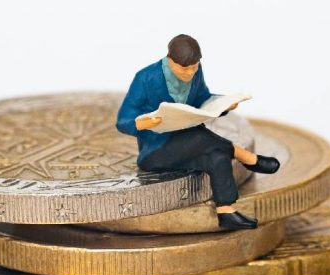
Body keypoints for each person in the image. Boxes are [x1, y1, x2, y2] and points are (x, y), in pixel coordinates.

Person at [116, 34, 281, 230]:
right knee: (198, 136)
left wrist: (223, 105)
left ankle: (226, 211)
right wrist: (144, 123)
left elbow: (202, 99)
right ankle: (248, 158)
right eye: (184, 68)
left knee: (217, 156)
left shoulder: (196, 71)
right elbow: (123, 119)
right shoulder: (146, 77)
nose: (190, 73)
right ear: (170, 60)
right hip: (156, 151)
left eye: (194, 67)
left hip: (190, 145)